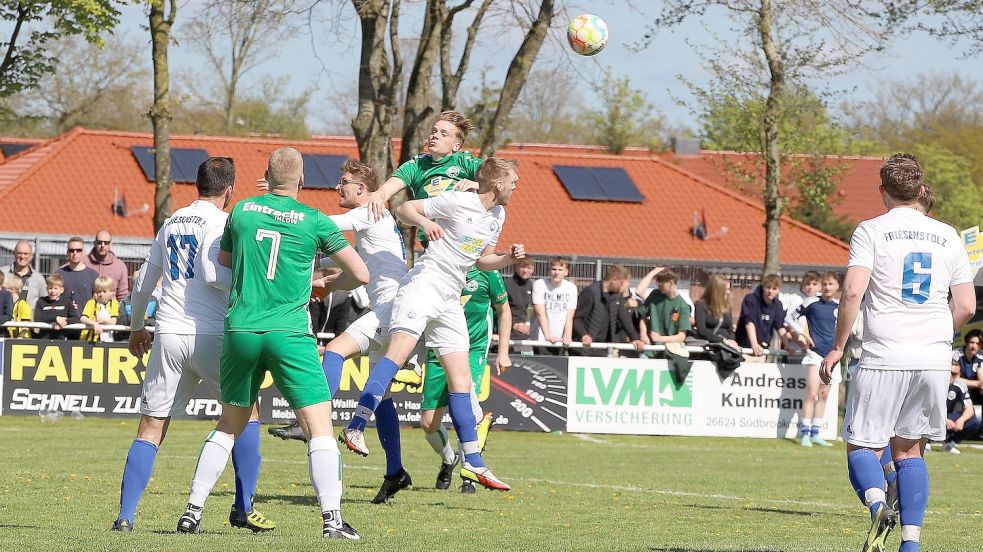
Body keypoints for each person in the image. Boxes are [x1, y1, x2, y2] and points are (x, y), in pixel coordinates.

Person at [176, 147, 369, 539]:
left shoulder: (243, 211)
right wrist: (327, 281)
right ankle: (332, 520)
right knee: (319, 427)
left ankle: (191, 512)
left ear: (266, 174)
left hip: (242, 329)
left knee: (229, 424)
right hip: (289, 333)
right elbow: (361, 273)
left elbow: (227, 261)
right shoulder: (315, 221)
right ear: (301, 181)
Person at [820, 153, 976, 552]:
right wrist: (939, 335)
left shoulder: (871, 230)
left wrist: (838, 346)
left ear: (883, 191)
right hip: (934, 358)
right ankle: (911, 543)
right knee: (910, 449)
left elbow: (853, 291)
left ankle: (876, 505)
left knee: (863, 444)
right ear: (921, 189)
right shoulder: (949, 235)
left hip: (884, 353)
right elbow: (967, 307)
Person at [340, 157, 524, 493]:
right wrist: (425, 224)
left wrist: (508, 259)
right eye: (513, 180)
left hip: (450, 296)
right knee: (396, 356)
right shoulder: (457, 199)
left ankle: (473, 462)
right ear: (498, 183)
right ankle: (355, 425)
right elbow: (404, 208)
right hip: (423, 285)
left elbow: (482, 259)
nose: (516, 185)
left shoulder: (498, 214)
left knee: (462, 379)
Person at [110, 157, 274, 534]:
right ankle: (243, 507)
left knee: (151, 426)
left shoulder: (171, 221)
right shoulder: (223, 223)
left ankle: (125, 516)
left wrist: (137, 327)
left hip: (168, 332)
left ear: (196, 185)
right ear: (229, 191)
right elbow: (218, 276)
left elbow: (144, 282)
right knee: (245, 415)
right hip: (213, 334)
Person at [267, 159, 412, 503]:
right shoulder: (374, 220)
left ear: (362, 190)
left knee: (334, 351)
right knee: (383, 398)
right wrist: (326, 280)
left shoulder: (368, 212)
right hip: (390, 310)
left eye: (344, 182)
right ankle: (396, 473)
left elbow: (325, 225)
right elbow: (353, 266)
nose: (338, 187)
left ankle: (313, 419)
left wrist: (278, 207)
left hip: (392, 309)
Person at [416, 267, 511, 497]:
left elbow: (504, 310)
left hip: (472, 348)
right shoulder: (436, 265)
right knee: (428, 423)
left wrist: (503, 351)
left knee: (467, 408)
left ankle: (471, 472)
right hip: (440, 345)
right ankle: (450, 458)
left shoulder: (487, 271)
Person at [366, 110, 482, 222]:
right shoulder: (417, 165)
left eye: (443, 134)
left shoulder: (464, 161)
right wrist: (378, 195)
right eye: (433, 131)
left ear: (456, 146)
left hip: (463, 234)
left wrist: (478, 184)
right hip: (431, 236)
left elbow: (499, 178)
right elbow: (387, 189)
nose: (435, 136)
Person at [795, 271, 841, 448]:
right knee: (812, 392)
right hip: (814, 354)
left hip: (831, 356)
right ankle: (804, 433)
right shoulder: (811, 303)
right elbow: (791, 317)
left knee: (824, 394)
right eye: (825, 284)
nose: (827, 287)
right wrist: (803, 335)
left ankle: (816, 433)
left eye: (831, 284)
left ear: (837, 286)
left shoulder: (839, 305)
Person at [572, 265, 643, 356]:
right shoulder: (591, 292)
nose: (626, 286)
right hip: (585, 348)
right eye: (622, 283)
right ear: (614, 280)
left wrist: (635, 338)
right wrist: (584, 335)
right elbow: (577, 319)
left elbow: (624, 317)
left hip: (605, 347)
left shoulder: (616, 295)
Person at [530, 257, 578, 354]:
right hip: (541, 339)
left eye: (560, 270)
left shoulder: (571, 288)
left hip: (560, 340)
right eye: (554, 269)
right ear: (549, 271)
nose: (557, 272)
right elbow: (540, 313)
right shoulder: (539, 284)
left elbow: (570, 316)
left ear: (566, 272)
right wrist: (547, 336)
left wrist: (568, 336)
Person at [736, 274, 789, 360]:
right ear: (763, 287)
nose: (770, 291)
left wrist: (787, 345)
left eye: (774, 289)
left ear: (779, 290)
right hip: (745, 349)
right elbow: (749, 322)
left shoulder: (777, 304)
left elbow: (780, 326)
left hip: (763, 350)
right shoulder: (751, 299)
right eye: (768, 287)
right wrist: (754, 344)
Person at [639, 269, 692, 348]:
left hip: (669, 349)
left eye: (661, 283)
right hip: (650, 347)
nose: (658, 286)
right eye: (657, 283)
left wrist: (660, 338)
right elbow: (643, 316)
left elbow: (681, 336)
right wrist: (643, 334)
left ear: (671, 282)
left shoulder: (683, 306)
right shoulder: (654, 295)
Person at [942, 361, 981, 454]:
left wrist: (961, 420)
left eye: (955, 374)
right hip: (933, 416)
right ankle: (926, 443)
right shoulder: (937, 384)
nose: (951, 376)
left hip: (948, 416)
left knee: (974, 421)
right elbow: (927, 408)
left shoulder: (960, 385)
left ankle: (949, 443)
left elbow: (969, 408)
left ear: (959, 374)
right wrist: (944, 420)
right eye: (949, 373)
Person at [693, 275, 739, 348]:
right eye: (726, 289)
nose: (728, 292)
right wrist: (722, 340)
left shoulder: (727, 308)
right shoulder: (701, 305)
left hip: (726, 346)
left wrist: (732, 340)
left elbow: (729, 329)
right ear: (718, 291)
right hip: (710, 345)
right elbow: (702, 330)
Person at [780, 271, 820, 355]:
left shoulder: (821, 302)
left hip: (818, 349)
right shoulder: (797, 300)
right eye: (807, 284)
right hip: (798, 349)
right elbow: (789, 325)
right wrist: (802, 344)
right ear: (802, 286)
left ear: (820, 286)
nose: (810, 287)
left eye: (814, 284)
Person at [84, 230, 130, 300]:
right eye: (99, 242)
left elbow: (122, 295)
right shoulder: (84, 262)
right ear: (94, 243)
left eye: (106, 243)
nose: (103, 245)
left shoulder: (120, 266)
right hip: (87, 308)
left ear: (111, 244)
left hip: (111, 309)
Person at [1, 240, 46, 307]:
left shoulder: (38, 278)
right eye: (19, 253)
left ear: (31, 256)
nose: (22, 257)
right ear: (14, 254)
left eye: (26, 254)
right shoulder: (2, 273)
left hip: (30, 316)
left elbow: (45, 301)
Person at [59, 237, 99, 312]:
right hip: (65, 320)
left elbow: (99, 299)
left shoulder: (93, 275)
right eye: (71, 250)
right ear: (67, 253)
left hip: (87, 321)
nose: (75, 253)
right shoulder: (59, 274)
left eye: (78, 250)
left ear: (83, 252)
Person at [33, 274, 79, 340]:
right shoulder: (41, 301)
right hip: (44, 339)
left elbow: (75, 318)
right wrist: (56, 318)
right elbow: (38, 318)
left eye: (55, 288)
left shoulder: (67, 302)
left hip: (63, 339)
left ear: (62, 290)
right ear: (46, 289)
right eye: (50, 288)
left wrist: (65, 322)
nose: (52, 291)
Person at [79, 276, 119, 342]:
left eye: (104, 291)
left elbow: (113, 321)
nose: (101, 294)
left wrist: (103, 321)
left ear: (111, 291)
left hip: (108, 340)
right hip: (89, 340)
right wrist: (94, 323)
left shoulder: (114, 304)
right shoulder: (91, 303)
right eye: (99, 291)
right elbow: (83, 318)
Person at [505, 257, 535, 346]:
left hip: (528, 338)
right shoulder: (506, 285)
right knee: (514, 359)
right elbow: (497, 311)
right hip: (509, 337)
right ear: (515, 267)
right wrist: (513, 325)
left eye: (529, 268)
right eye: (522, 267)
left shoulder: (533, 286)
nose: (525, 271)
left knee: (528, 358)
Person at [951, 328, 983, 405]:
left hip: (974, 393)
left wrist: (980, 384)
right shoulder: (956, 354)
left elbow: (981, 381)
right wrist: (977, 384)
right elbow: (953, 379)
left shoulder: (980, 356)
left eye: (977, 343)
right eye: (972, 342)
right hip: (957, 390)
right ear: (966, 342)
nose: (974, 346)